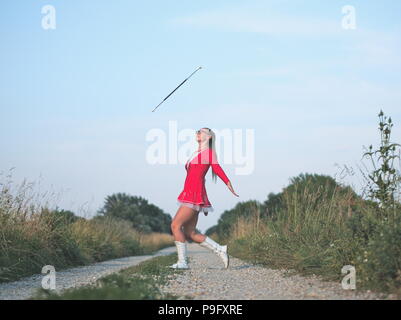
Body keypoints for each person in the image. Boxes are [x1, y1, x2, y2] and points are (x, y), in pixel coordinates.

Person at [169, 127, 239, 269]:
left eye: (201, 131)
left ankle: (182, 262)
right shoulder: (197, 153)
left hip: (193, 195)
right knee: (191, 232)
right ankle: (220, 249)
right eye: (197, 131)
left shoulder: (209, 153)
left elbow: (217, 168)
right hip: (191, 194)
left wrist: (228, 182)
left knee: (175, 225)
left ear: (209, 137)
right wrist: (204, 201)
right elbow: (198, 178)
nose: (197, 132)